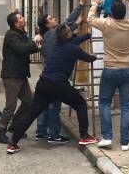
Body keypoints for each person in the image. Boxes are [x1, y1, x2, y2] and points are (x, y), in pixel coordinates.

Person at [6, 23, 98, 154]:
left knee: (31, 114)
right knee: (81, 104)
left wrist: (88, 35)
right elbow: (89, 59)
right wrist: (94, 56)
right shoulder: (73, 49)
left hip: (43, 84)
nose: (72, 32)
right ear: (68, 35)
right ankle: (84, 136)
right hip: (58, 85)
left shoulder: (58, 44)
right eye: (70, 31)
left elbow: (75, 40)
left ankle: (13, 143)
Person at [87, 0, 129, 151]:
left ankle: (107, 137)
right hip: (128, 70)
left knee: (104, 102)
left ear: (111, 13)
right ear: (125, 12)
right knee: (126, 106)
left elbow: (90, 19)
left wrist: (95, 3)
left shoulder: (107, 24)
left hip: (110, 69)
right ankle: (125, 142)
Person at [35, 0, 90, 144]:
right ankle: (54, 135)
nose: (55, 19)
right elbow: (67, 23)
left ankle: (41, 132)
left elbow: (67, 28)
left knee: (44, 104)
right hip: (56, 79)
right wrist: (80, 4)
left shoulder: (46, 36)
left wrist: (76, 24)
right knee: (54, 105)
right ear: (48, 24)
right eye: (51, 18)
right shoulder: (54, 35)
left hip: (46, 76)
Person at [0, 11, 42, 144]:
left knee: (29, 102)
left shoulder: (21, 33)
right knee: (10, 106)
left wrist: (39, 47)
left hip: (20, 75)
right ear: (16, 23)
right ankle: (0, 133)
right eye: (21, 18)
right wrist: (34, 41)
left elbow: (28, 48)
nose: (24, 19)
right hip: (12, 76)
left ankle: (14, 126)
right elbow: (21, 49)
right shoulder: (11, 35)